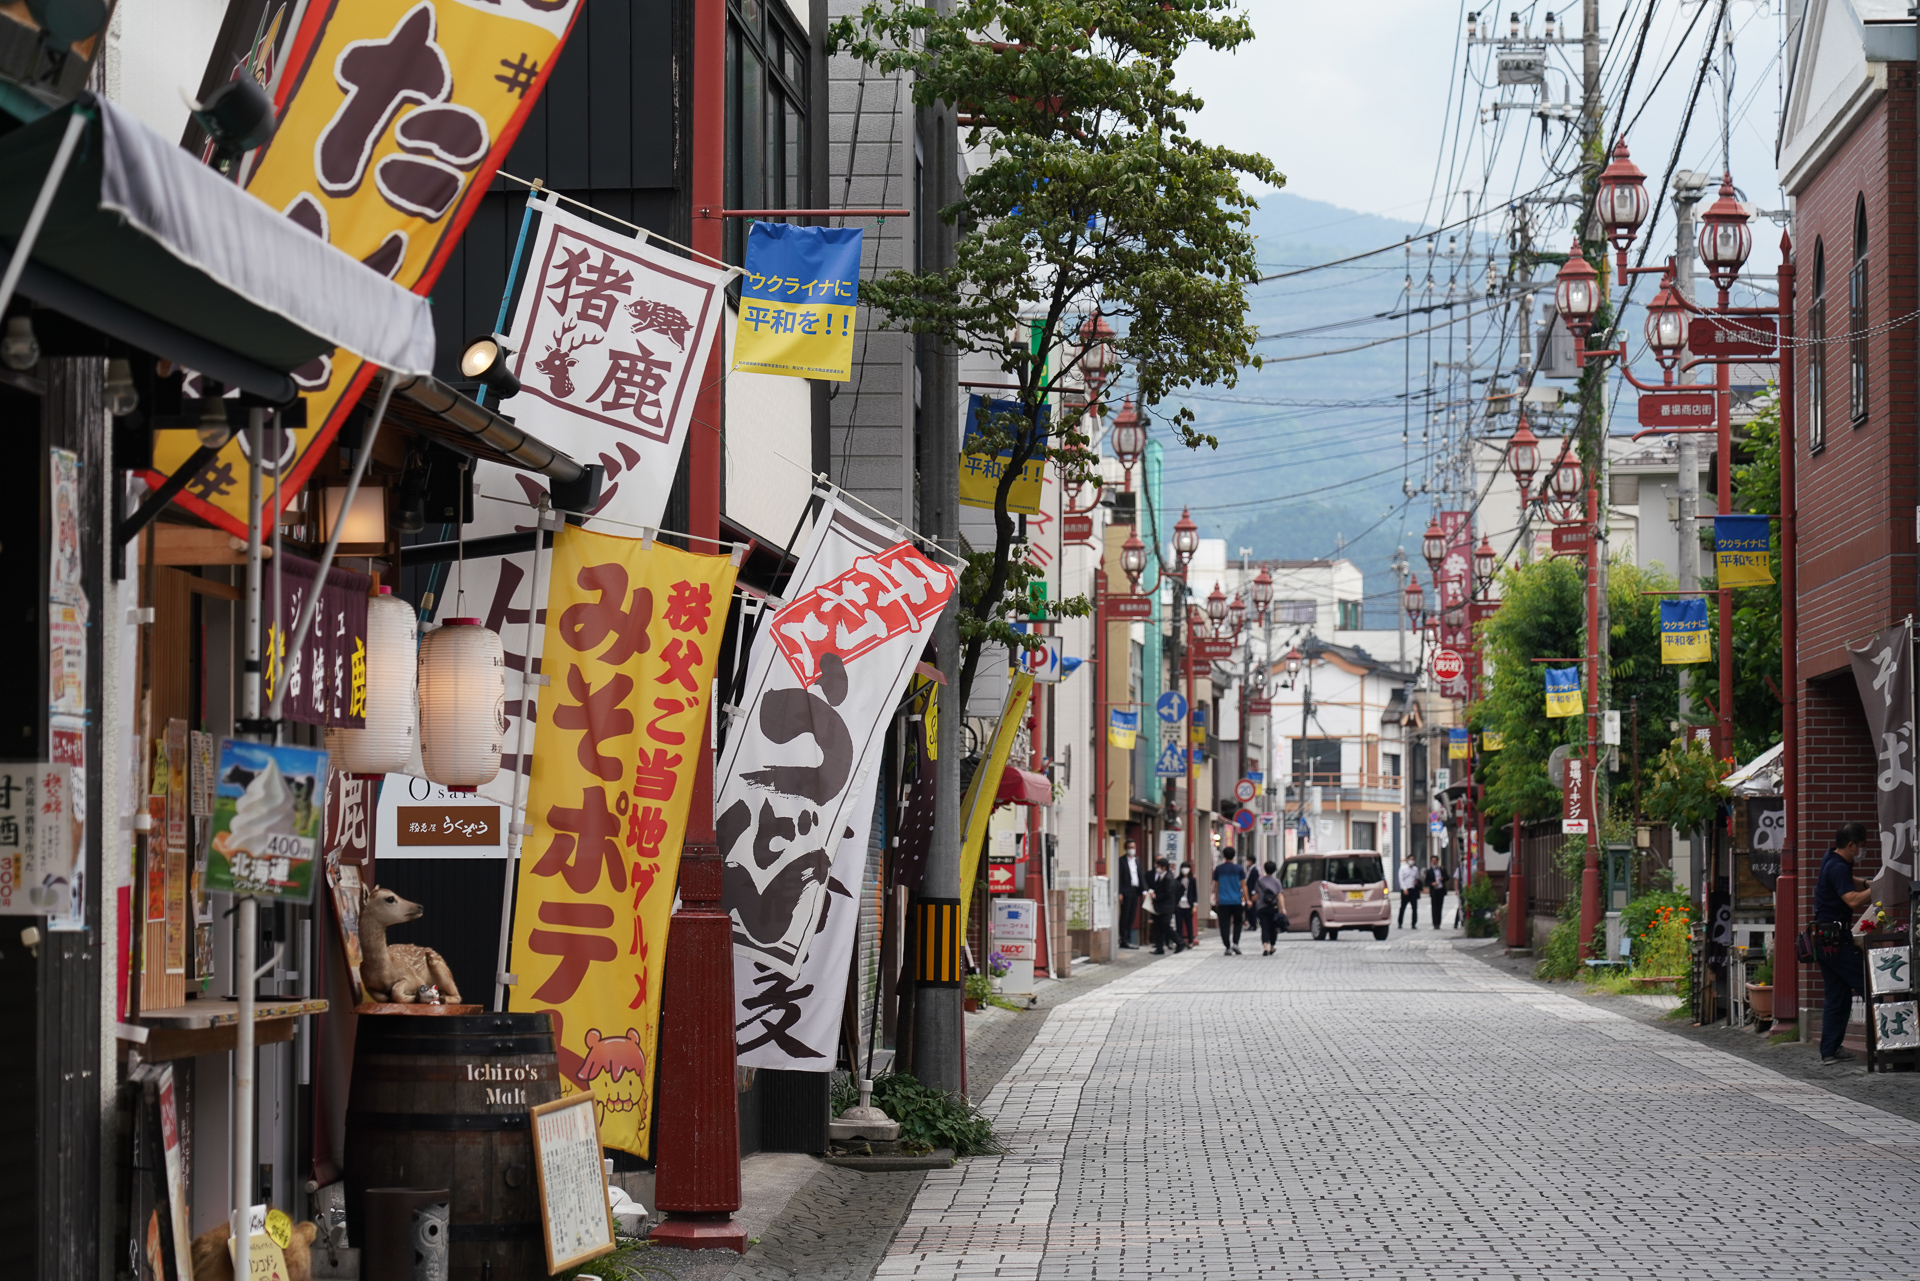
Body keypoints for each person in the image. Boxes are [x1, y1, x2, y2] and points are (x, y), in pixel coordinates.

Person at [1814, 821, 1874, 1065]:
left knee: (1837, 995)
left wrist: (1867, 883)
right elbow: (1851, 900)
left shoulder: (1831, 858)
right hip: (1836, 940)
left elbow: (1849, 879)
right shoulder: (1839, 867)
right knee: (1870, 985)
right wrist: (1879, 887)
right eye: (1860, 846)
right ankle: (1884, 1042)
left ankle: (1829, 1051)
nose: (1862, 851)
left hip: (1824, 939)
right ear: (1851, 845)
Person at [1212, 850, 1247, 954]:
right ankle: (1236, 943)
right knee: (1237, 923)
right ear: (1234, 856)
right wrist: (1247, 899)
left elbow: (1216, 886)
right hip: (1236, 901)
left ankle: (1227, 947)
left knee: (1224, 924)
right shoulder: (1239, 869)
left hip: (1223, 902)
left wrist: (1216, 898)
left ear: (1223, 856)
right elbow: (1243, 885)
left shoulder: (1219, 869)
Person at [1149, 856, 1184, 954]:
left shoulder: (1168, 878)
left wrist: (1155, 896)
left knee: (1165, 925)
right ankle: (1160, 948)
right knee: (1158, 926)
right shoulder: (1162, 876)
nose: (1157, 868)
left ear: (1163, 867)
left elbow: (1168, 893)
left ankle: (1179, 942)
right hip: (1161, 906)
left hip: (1166, 907)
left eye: (1158, 866)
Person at [1254, 860, 1287, 955]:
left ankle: (1265, 947)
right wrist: (1283, 908)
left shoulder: (1260, 881)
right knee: (1273, 928)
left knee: (1264, 927)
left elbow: (1256, 895)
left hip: (1261, 908)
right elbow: (1280, 896)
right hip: (1273, 907)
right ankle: (1272, 947)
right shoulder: (1277, 882)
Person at [1116, 841, 1144, 949]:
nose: (1132, 849)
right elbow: (1119, 877)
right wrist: (1120, 892)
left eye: (1133, 847)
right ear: (1125, 849)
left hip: (1135, 890)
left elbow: (1140, 875)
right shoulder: (1121, 861)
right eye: (1129, 847)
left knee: (1132, 915)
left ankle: (1128, 938)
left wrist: (1144, 890)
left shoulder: (1137, 860)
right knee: (1125, 915)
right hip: (1125, 890)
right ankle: (1124, 939)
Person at [1176, 861, 1200, 947]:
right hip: (1179, 904)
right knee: (1178, 924)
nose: (1185, 870)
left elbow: (1195, 893)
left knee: (1189, 923)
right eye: (1183, 868)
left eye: (1186, 868)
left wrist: (1195, 905)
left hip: (1188, 904)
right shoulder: (1178, 880)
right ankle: (1179, 941)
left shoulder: (1192, 880)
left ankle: (1190, 941)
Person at [1398, 856, 1421, 930]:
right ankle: (1400, 922)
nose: (1412, 861)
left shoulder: (1415, 869)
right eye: (1410, 859)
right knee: (1403, 907)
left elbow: (1417, 878)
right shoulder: (1403, 868)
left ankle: (1414, 923)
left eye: (1413, 860)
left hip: (1413, 890)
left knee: (1414, 907)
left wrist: (1416, 883)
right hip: (1405, 890)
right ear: (1407, 860)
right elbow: (1401, 879)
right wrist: (1404, 889)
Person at [1426, 854, 1447, 929]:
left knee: (1440, 907)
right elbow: (1427, 881)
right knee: (1434, 907)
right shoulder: (1429, 871)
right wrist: (1432, 883)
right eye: (1433, 861)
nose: (1434, 862)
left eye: (1435, 860)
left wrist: (1442, 878)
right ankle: (1435, 923)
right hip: (1434, 890)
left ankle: (1439, 922)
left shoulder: (1442, 869)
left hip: (1441, 890)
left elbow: (1447, 877)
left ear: (1437, 861)